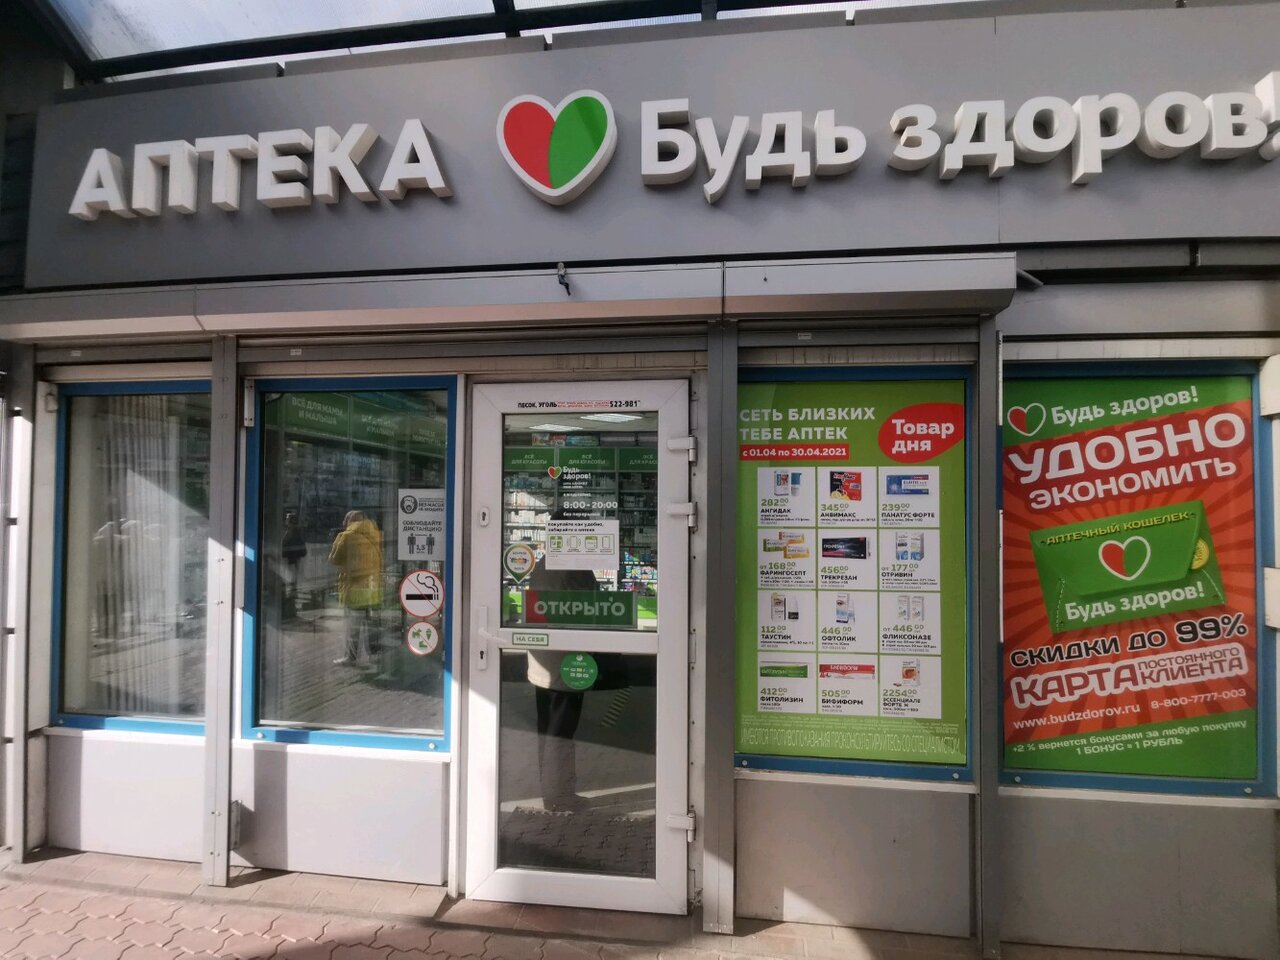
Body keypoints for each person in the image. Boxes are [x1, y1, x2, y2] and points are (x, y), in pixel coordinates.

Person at [328, 510, 383, 665]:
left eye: (345, 520)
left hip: (354, 588)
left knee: (353, 625)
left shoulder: (345, 536)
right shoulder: (375, 534)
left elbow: (334, 560)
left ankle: (351, 657)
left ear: (348, 521)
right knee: (372, 624)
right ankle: (375, 655)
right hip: (373, 586)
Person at [280, 511, 306, 620]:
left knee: (291, 584)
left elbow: (288, 547)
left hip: (291, 562)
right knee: (292, 585)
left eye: (287, 519)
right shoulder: (294, 532)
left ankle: (290, 609)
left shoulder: (292, 533)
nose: (286, 521)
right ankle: (291, 608)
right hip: (292, 562)